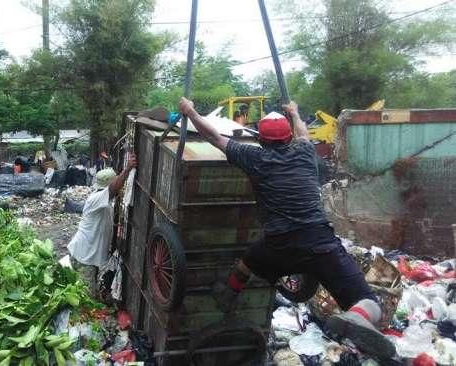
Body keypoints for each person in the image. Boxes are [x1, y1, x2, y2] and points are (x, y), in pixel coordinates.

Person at [178, 97, 395, 359]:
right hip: (320, 241)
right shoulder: (305, 152)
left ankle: (227, 296)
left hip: (278, 244)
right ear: (289, 137)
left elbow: (214, 137)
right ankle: (357, 317)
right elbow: (304, 132)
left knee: (246, 263)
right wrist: (293, 112)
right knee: (369, 301)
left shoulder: (254, 156)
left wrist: (190, 111)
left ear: (261, 139)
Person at [67, 154, 137, 296]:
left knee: (85, 293)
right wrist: (128, 169)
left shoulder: (104, 203)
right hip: (83, 257)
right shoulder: (96, 199)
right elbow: (113, 189)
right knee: (86, 299)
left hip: (87, 257)